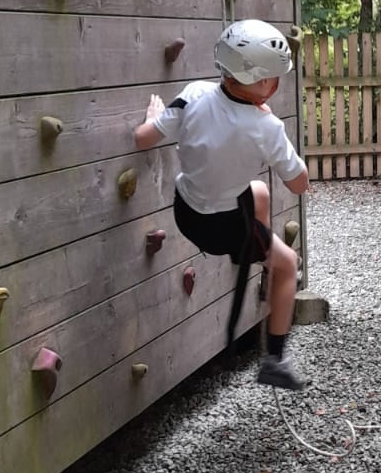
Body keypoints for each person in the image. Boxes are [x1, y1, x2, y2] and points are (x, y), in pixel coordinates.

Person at [133, 19, 310, 389]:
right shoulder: (267, 129)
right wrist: (275, 135)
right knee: (289, 265)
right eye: (275, 78)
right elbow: (299, 184)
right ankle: (275, 361)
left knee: (258, 192)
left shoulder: (193, 94)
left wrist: (153, 118)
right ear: (262, 82)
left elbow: (143, 138)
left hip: (186, 211)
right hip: (223, 229)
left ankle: (256, 253)